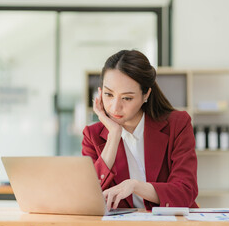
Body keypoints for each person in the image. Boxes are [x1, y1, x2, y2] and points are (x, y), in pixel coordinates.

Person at [82, 50, 198, 211]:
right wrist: (114, 136)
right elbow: (87, 196)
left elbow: (185, 192)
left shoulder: (177, 124)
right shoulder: (92, 135)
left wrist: (135, 186)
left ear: (146, 95)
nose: (115, 107)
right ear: (100, 92)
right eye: (109, 94)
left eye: (127, 98)